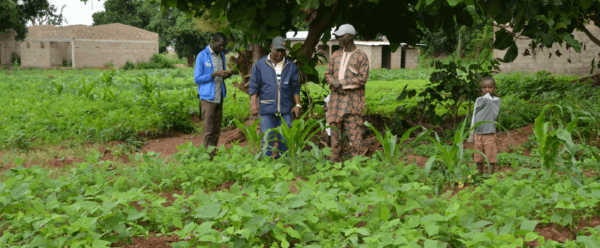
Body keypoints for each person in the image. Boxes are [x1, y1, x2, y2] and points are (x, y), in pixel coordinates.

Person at [249, 36, 301, 158]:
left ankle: (283, 164)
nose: (280, 53)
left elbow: (295, 88)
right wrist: (253, 104)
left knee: (285, 139)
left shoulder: (291, 66)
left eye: (283, 50)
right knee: (267, 139)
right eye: (277, 50)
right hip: (267, 109)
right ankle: (266, 166)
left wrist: (297, 105)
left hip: (285, 110)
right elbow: (253, 85)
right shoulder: (260, 65)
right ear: (271, 48)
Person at [325, 24, 370, 163]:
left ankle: (355, 167)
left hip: (352, 104)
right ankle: (334, 166)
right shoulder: (335, 55)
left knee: (355, 137)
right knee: (335, 137)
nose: (338, 38)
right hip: (335, 104)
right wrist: (334, 83)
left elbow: (362, 79)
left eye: (341, 36)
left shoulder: (361, 56)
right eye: (337, 36)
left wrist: (341, 83)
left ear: (350, 36)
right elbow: (328, 74)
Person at [194, 32, 233, 158]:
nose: (222, 48)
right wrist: (214, 74)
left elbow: (220, 77)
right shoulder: (202, 55)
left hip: (219, 96)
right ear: (213, 42)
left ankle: (213, 153)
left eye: (224, 46)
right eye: (220, 45)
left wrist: (226, 75)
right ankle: (208, 155)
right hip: (207, 98)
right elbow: (197, 78)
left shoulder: (221, 55)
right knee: (208, 129)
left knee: (216, 129)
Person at [467, 77, 502, 174]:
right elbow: (474, 115)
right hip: (478, 133)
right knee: (478, 157)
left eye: (490, 87)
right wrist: (471, 134)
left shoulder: (496, 100)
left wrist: (486, 98)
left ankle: (491, 177)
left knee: (491, 157)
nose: (487, 90)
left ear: (494, 88)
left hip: (489, 134)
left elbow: (493, 111)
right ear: (480, 89)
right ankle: (479, 176)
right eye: (484, 87)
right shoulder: (478, 100)